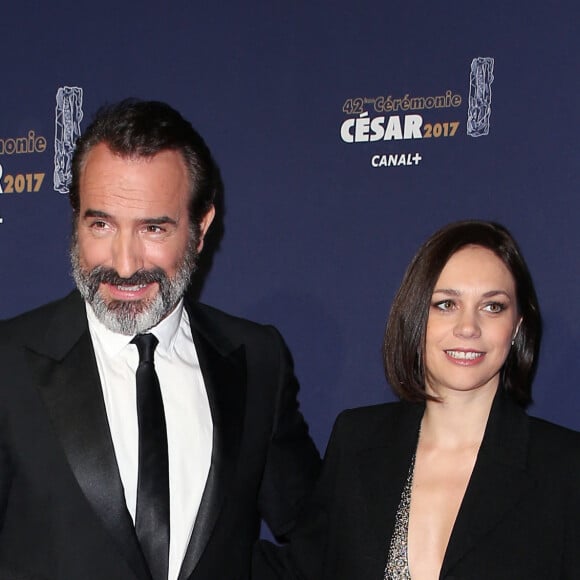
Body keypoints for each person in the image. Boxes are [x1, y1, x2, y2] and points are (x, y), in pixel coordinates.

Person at [0, 99, 320, 580]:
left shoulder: (257, 360)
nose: (124, 264)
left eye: (153, 228)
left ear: (200, 228)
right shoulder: (7, 365)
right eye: (101, 224)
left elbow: (319, 532)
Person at [254, 220, 580, 579]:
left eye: (492, 307)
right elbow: (305, 570)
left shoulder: (563, 467)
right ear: (415, 316)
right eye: (446, 304)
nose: (468, 327)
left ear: (517, 326)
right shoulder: (358, 440)